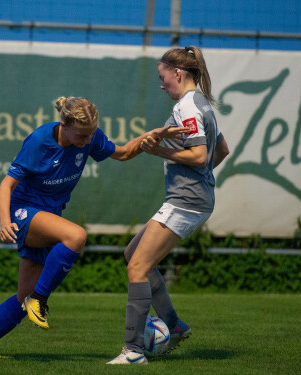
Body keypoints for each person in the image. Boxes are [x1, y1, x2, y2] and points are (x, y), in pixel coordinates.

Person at [0, 96, 189, 357]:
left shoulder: (89, 136)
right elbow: (7, 184)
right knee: (76, 236)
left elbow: (125, 152)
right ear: (64, 125)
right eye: (82, 136)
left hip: (50, 215)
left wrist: (151, 136)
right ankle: (41, 299)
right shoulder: (40, 141)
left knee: (21, 299)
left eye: (91, 134)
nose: (86, 141)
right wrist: (5, 222)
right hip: (24, 211)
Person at [107, 46, 230, 365]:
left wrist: (158, 151)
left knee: (137, 267)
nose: (161, 85)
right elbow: (222, 150)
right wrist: (201, 178)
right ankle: (174, 326)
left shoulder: (188, 106)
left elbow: (201, 156)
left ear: (179, 72)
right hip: (193, 199)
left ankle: (133, 352)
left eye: (163, 78)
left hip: (186, 202)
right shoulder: (201, 103)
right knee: (133, 255)